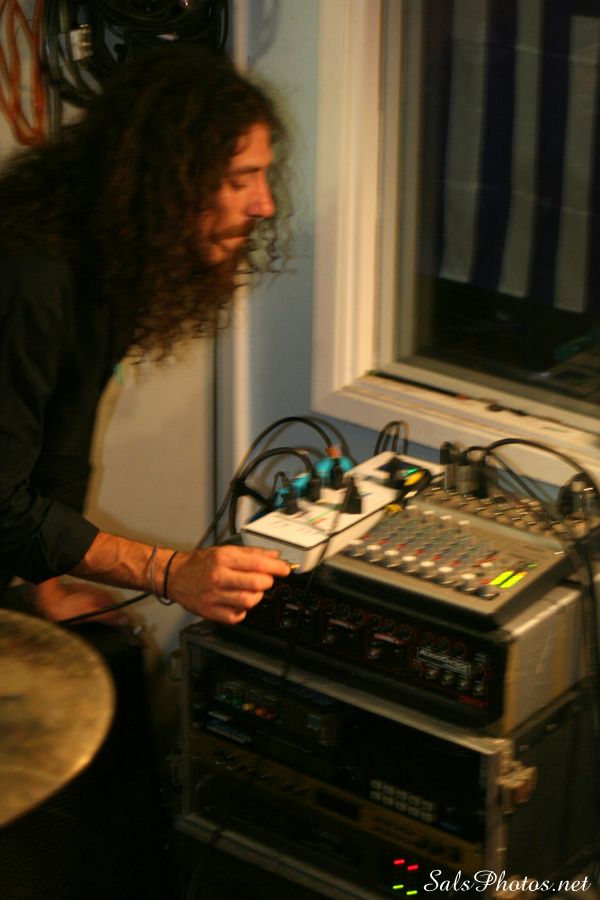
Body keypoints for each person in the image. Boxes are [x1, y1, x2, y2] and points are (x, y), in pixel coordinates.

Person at [0, 45, 291, 626]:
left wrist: (45, 583)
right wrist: (169, 571)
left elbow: (62, 445)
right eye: (241, 179)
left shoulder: (107, 255)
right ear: (169, 180)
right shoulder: (28, 276)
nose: (265, 204)